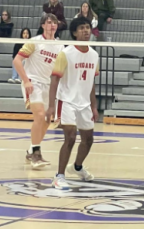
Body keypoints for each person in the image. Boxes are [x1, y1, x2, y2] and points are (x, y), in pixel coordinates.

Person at [46, 17, 99, 190]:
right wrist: (51, 105)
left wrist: (94, 106)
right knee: (70, 137)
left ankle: (77, 167)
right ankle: (59, 177)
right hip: (66, 101)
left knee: (88, 139)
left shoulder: (94, 55)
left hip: (84, 104)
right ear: (75, 33)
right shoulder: (66, 53)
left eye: (88, 28)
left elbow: (91, 83)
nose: (86, 31)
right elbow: (54, 79)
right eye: (82, 28)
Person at [12, 14, 62, 169]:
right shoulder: (35, 42)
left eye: (55, 22)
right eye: (49, 22)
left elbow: (59, 70)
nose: (52, 25)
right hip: (33, 82)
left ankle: (31, 149)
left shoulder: (61, 46)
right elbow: (17, 60)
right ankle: (36, 154)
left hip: (48, 85)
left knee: (47, 120)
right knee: (39, 115)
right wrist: (26, 81)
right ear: (43, 25)